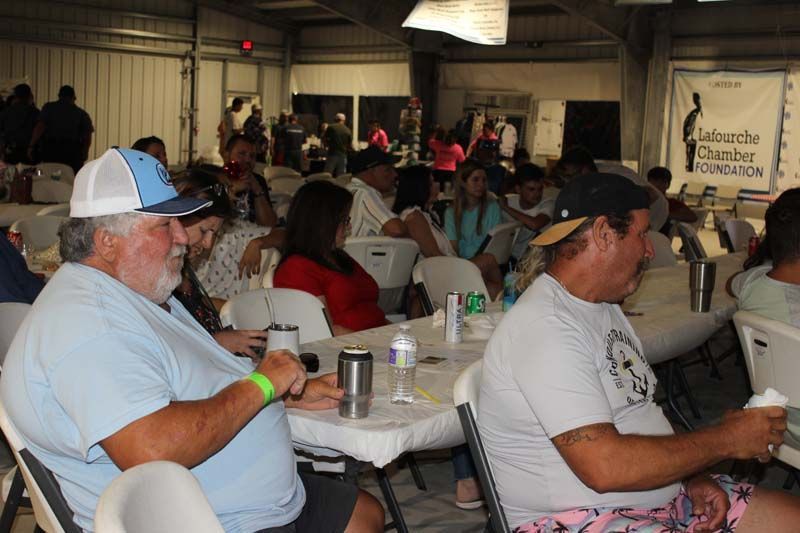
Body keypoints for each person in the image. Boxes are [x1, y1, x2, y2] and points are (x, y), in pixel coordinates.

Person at [0, 147, 385, 532]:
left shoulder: (140, 290)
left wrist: (290, 393)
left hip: (243, 501)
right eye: (164, 226)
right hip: (201, 520)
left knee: (364, 515)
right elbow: (152, 449)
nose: (184, 236)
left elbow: (192, 378)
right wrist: (263, 385)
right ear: (107, 242)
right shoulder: (86, 323)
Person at [480, 172, 800, 532]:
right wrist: (726, 440)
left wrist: (693, 475)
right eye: (642, 234)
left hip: (659, 498)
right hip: (578, 518)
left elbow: (642, 414)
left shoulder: (604, 307)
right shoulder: (545, 327)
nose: (650, 250)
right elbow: (605, 467)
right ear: (604, 234)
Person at [171, 167, 270, 360]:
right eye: (203, 230)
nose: (208, 244)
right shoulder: (155, 278)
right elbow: (166, 349)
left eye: (214, 234)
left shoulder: (181, 268)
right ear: (177, 220)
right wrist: (217, 343)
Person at [274, 181, 387, 335]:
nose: (349, 228)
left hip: (375, 339)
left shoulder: (338, 257)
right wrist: (381, 343)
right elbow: (325, 330)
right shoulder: (297, 268)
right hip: (349, 350)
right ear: (323, 222)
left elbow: (373, 310)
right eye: (344, 221)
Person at [444, 160, 504, 298]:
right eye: (475, 180)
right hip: (464, 264)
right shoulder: (451, 212)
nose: (481, 185)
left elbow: (495, 245)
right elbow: (453, 248)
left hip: (488, 264)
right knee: (492, 290)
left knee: (487, 262)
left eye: (483, 180)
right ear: (463, 183)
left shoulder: (492, 207)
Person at [28, 85, 93, 172]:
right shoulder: (81, 114)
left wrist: (31, 145)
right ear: (74, 98)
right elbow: (87, 136)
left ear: (59, 96)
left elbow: (40, 128)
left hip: (51, 150)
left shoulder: (49, 108)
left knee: (50, 177)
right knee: (71, 179)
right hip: (72, 151)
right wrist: (85, 152)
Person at [346, 145, 407, 239]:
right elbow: (396, 229)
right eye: (388, 170)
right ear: (370, 171)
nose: (395, 174)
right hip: (359, 253)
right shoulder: (364, 193)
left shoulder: (349, 190)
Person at [499, 163, 554, 261]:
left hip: (533, 262)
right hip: (506, 257)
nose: (537, 194)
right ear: (518, 189)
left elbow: (535, 224)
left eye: (540, 189)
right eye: (531, 189)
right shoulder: (509, 201)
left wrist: (506, 208)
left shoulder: (548, 204)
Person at [225, 134, 277, 227]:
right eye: (242, 154)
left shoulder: (258, 181)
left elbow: (269, 225)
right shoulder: (215, 178)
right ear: (227, 155)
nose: (248, 160)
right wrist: (232, 190)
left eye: (252, 156)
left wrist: (257, 190)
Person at [647, 166, 697, 235]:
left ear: (668, 185)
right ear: (648, 182)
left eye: (662, 182)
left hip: (658, 241)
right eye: (655, 181)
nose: (658, 185)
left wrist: (664, 215)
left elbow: (692, 216)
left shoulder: (671, 203)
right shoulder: (641, 200)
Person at [0, 232, 45, 304]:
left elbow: (18, 269)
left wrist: (32, 277)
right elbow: (10, 303)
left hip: (36, 292)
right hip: (27, 307)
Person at [0, 83, 38, 165]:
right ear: (29, 95)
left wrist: (2, 151)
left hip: (10, 150)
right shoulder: (35, 112)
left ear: (16, 96)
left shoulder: (6, 112)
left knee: (10, 175)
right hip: (29, 150)